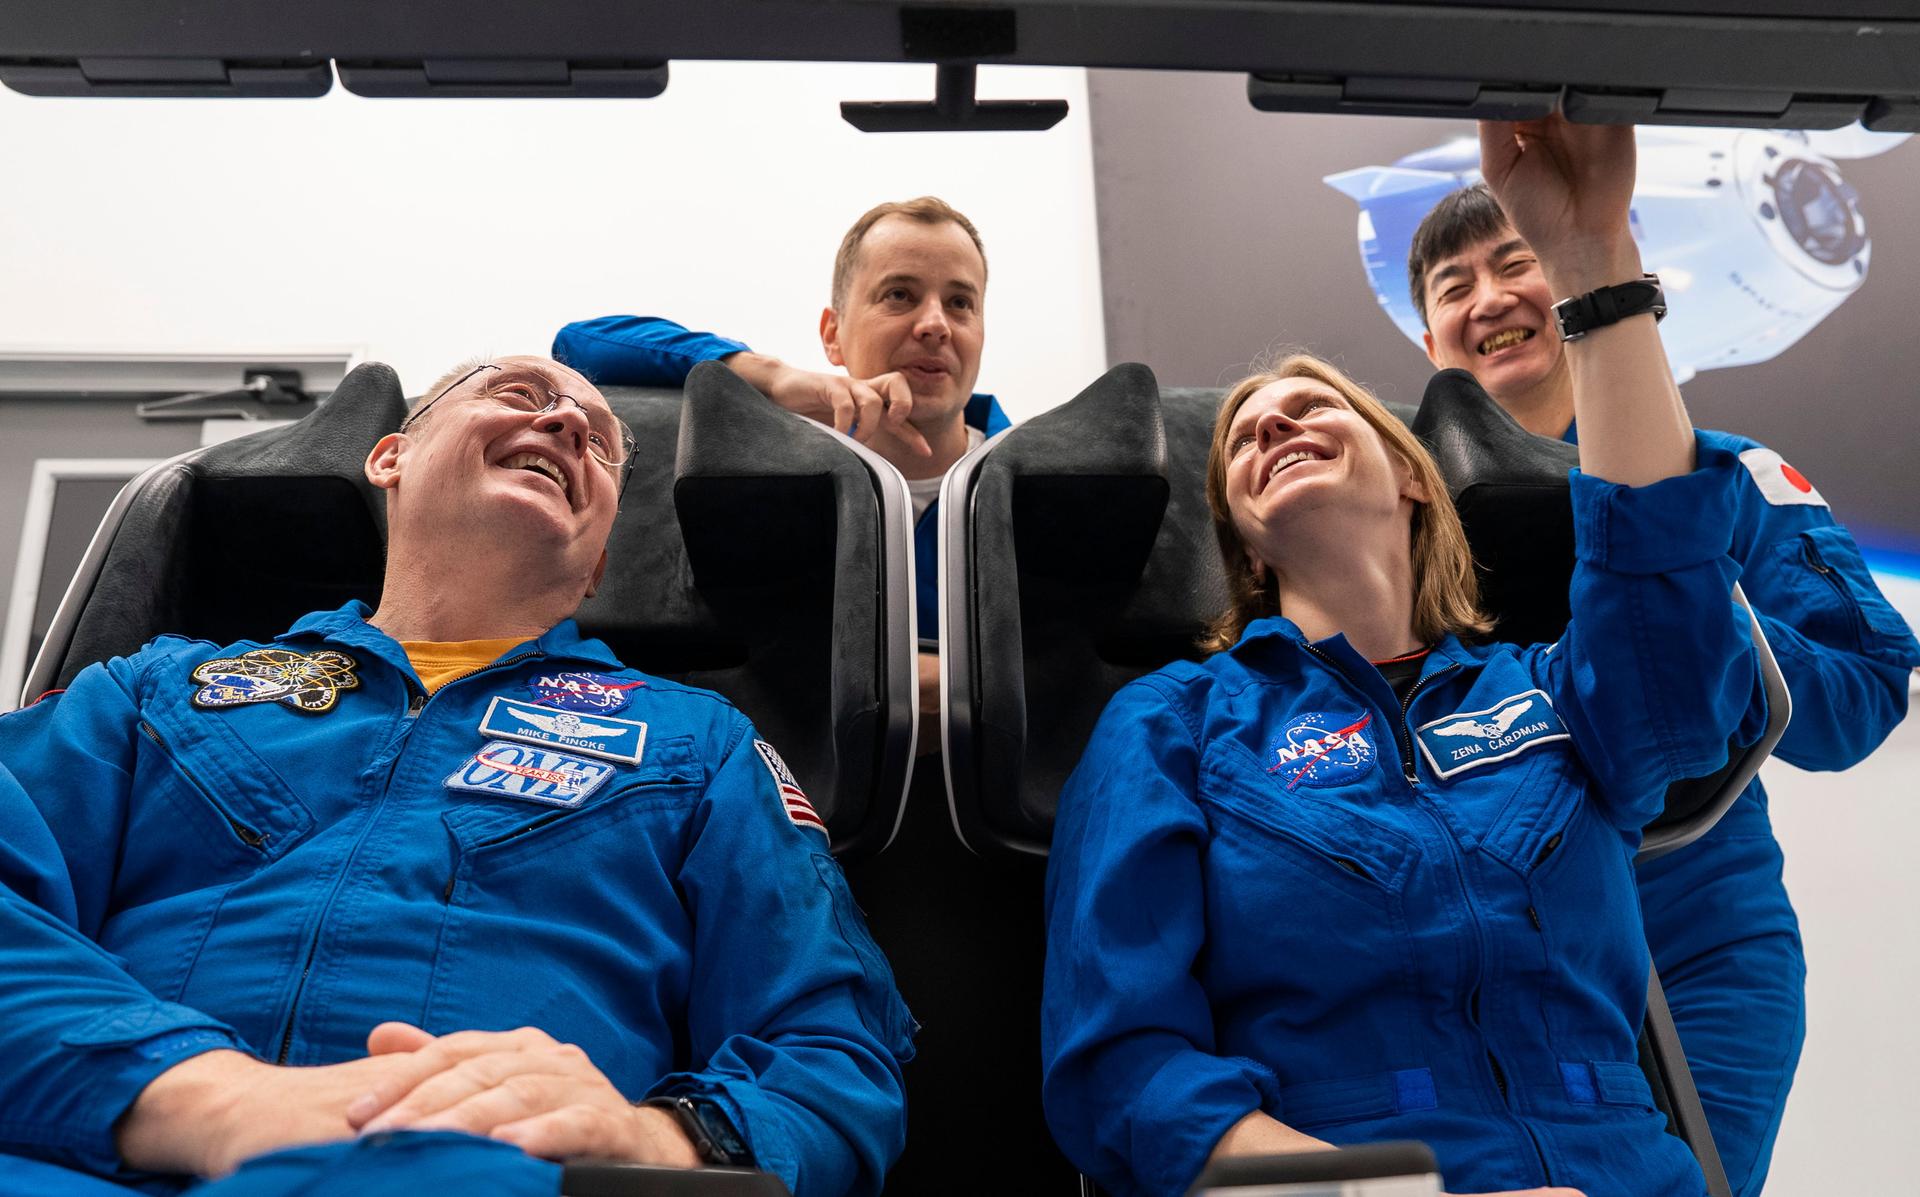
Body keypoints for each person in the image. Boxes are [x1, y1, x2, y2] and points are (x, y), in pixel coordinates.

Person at [1041, 117, 1768, 1197]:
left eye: (1312, 406)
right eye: (1243, 438)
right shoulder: (1170, 726)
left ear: (1414, 477)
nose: (1272, 423)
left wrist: (1591, 256)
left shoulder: (1551, 694)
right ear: (1243, 539)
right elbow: (1124, 1071)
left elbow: (1663, 597)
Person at [0, 355, 914, 1197]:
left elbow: (829, 1049)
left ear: (598, 560)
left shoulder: (702, 745)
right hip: (84, 1153)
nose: (567, 424)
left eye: (600, 444)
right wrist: (202, 1096)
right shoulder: (154, 688)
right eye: (518, 394)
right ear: (390, 457)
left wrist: (661, 1140)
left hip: (473, 1169)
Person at [1406, 175, 1919, 1196]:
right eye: (1455, 286)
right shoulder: (1397, 525)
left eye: (1515, 262)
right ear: (1431, 341)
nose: (1490, 298)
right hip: (1485, 967)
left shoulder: (1723, 481)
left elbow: (1864, 693)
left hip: (1694, 953)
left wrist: (1678, 595)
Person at [552, 197, 1013, 752]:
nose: (935, 324)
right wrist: (768, 377)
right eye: (899, 295)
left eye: (960, 303)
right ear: (832, 333)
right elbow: (580, 343)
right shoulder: (772, 474)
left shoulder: (1036, 481)